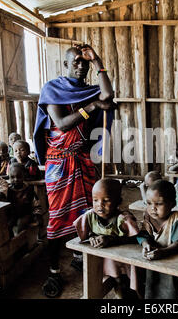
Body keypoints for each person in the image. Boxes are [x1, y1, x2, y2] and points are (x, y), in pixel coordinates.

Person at [33, 43, 115, 297]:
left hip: (82, 160)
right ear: (66, 65)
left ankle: (81, 254)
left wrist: (98, 59)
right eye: (76, 62)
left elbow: (108, 95)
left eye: (85, 63)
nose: (81, 66)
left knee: (88, 213)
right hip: (58, 164)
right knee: (57, 220)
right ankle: (54, 271)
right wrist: (91, 107)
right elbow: (61, 123)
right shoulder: (53, 89)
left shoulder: (88, 91)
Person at [74, 179, 140, 298]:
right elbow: (82, 237)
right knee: (110, 283)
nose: (100, 204)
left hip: (124, 262)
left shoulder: (123, 219)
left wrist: (111, 239)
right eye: (95, 200)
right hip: (103, 261)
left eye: (106, 200)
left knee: (127, 286)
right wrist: (92, 237)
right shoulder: (90, 216)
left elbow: (136, 239)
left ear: (118, 201)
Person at [137, 180, 178, 299]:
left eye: (159, 204)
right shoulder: (148, 216)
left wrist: (163, 252)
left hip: (171, 261)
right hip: (153, 259)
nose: (152, 208)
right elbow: (143, 234)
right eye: (149, 203)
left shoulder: (176, 218)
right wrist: (146, 245)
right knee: (150, 286)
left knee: (169, 291)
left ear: (172, 204)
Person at [7, 163, 43, 237]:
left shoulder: (29, 189)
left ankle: (21, 244)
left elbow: (36, 204)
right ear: (9, 177)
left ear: (24, 176)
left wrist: (38, 215)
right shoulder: (8, 191)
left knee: (21, 223)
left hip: (26, 214)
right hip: (13, 215)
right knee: (8, 225)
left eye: (19, 177)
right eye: (12, 177)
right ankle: (11, 244)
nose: (16, 179)